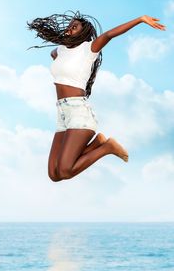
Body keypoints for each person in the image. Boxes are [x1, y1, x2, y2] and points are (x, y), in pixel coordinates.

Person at [28, 11, 165, 182]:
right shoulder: (62, 50)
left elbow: (109, 34)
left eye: (74, 27)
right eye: (69, 26)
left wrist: (140, 20)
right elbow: (53, 54)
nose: (70, 28)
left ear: (83, 32)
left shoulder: (89, 48)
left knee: (64, 171)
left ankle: (106, 147)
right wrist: (62, 47)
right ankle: (97, 143)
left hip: (79, 113)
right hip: (62, 114)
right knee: (54, 174)